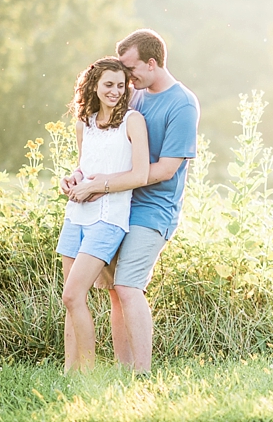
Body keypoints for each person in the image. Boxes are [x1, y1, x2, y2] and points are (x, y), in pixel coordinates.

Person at [62, 29, 199, 373]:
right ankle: (124, 368)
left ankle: (142, 372)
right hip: (117, 205)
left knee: (127, 285)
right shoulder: (134, 94)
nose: (125, 78)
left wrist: (105, 184)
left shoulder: (181, 104)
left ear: (151, 64)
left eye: (130, 69)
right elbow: (106, 148)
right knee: (112, 289)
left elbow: (166, 169)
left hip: (153, 209)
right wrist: (83, 177)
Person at [56, 57, 150, 372]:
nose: (115, 91)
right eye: (108, 84)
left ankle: (87, 372)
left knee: (73, 295)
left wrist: (101, 188)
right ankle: (70, 372)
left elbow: (140, 174)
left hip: (108, 220)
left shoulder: (132, 121)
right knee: (71, 301)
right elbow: (85, 165)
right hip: (76, 215)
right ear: (94, 85)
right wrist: (70, 179)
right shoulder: (85, 122)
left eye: (121, 86)